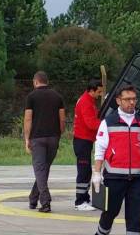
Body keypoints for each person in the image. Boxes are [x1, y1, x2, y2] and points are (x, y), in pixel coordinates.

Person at [90, 85, 140, 235]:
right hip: (115, 177)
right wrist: (97, 173)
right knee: (109, 213)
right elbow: (100, 149)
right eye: (127, 99)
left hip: (136, 179)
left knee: (135, 215)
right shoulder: (108, 122)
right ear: (118, 101)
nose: (132, 102)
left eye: (134, 99)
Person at [24, 71, 65, 213]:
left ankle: (45, 202)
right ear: (46, 81)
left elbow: (28, 119)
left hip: (37, 138)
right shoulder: (57, 96)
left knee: (40, 169)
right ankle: (33, 198)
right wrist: (59, 135)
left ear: (35, 82)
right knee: (44, 169)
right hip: (53, 137)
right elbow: (62, 120)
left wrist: (27, 138)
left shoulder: (31, 97)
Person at [72, 78, 104, 211]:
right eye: (99, 92)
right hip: (82, 141)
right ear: (91, 90)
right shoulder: (85, 102)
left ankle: (85, 198)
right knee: (83, 171)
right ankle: (80, 201)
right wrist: (104, 125)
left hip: (86, 141)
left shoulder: (89, 101)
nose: (100, 94)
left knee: (87, 171)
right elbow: (90, 123)